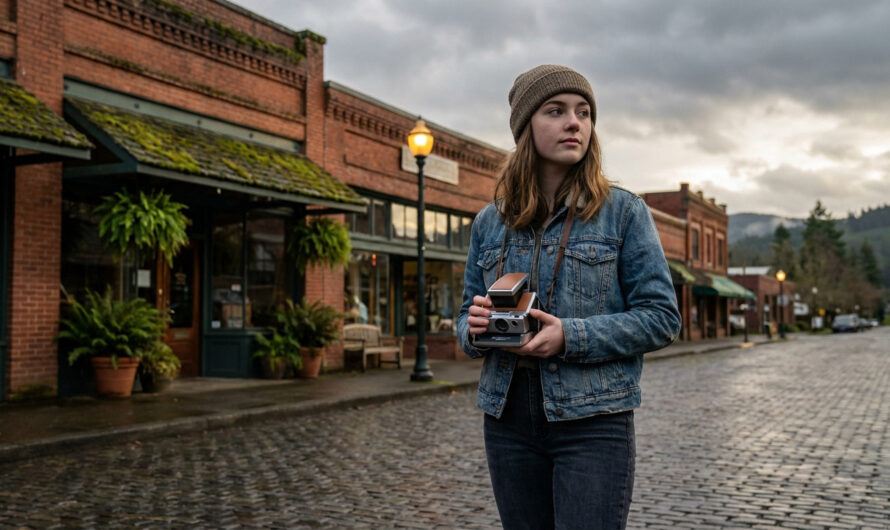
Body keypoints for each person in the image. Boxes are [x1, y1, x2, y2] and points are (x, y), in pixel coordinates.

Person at [458, 65, 681, 529]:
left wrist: (569, 336)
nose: (574, 122)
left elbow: (661, 316)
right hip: (508, 418)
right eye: (555, 111)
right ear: (526, 128)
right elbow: (465, 317)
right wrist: (475, 330)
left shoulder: (623, 212)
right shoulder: (489, 222)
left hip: (594, 420)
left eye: (583, 112)